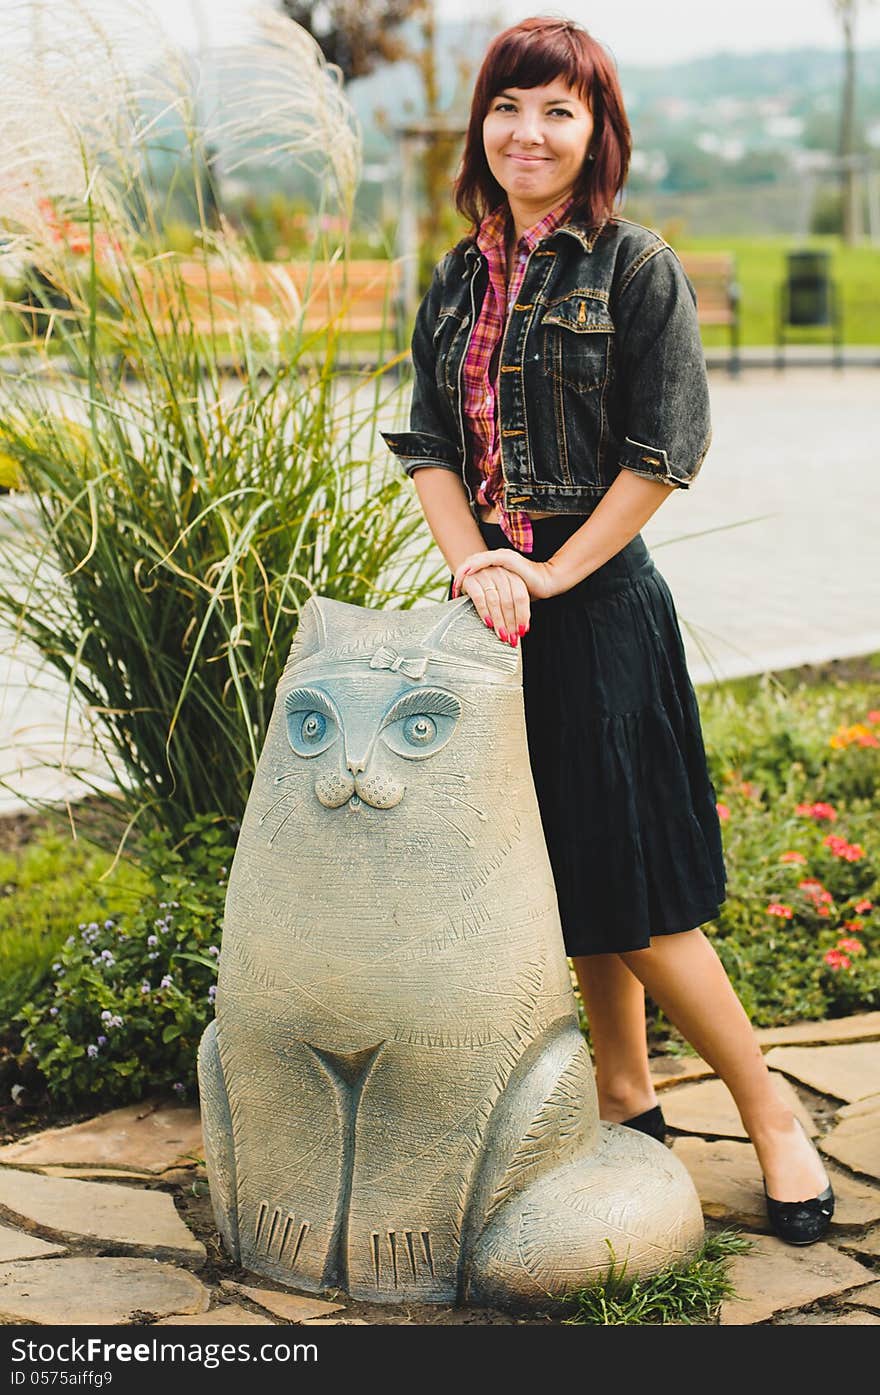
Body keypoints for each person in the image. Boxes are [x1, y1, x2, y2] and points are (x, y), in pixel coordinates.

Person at [380, 15, 833, 1245]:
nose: (529, 133)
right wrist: (477, 563)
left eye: (558, 112)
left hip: (597, 607)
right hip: (495, 608)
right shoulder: (460, 272)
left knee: (640, 899)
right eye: (510, 108)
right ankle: (628, 1094)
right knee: (571, 872)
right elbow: (427, 442)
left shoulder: (633, 267)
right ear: (483, 124)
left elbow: (661, 454)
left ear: (596, 133)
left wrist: (548, 573)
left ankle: (770, 1110)